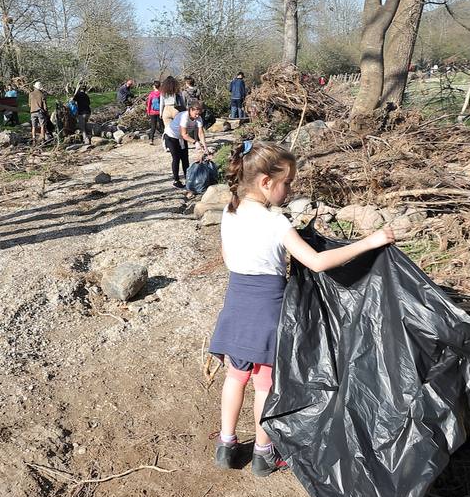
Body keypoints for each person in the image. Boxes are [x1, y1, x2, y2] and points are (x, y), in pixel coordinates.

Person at [210, 140, 395, 476]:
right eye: (288, 182)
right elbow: (317, 262)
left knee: (235, 378)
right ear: (266, 182)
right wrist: (370, 242)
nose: (290, 189)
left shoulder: (230, 210)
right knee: (265, 384)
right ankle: (264, 454)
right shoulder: (277, 223)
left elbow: (226, 257)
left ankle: (226, 444)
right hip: (268, 311)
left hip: (235, 306)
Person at [160, 76, 189, 187]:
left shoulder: (163, 92)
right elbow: (182, 102)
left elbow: (162, 103)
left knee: (169, 131)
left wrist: (161, 113)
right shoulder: (177, 91)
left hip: (166, 110)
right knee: (180, 131)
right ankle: (181, 144)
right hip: (176, 109)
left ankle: (168, 144)